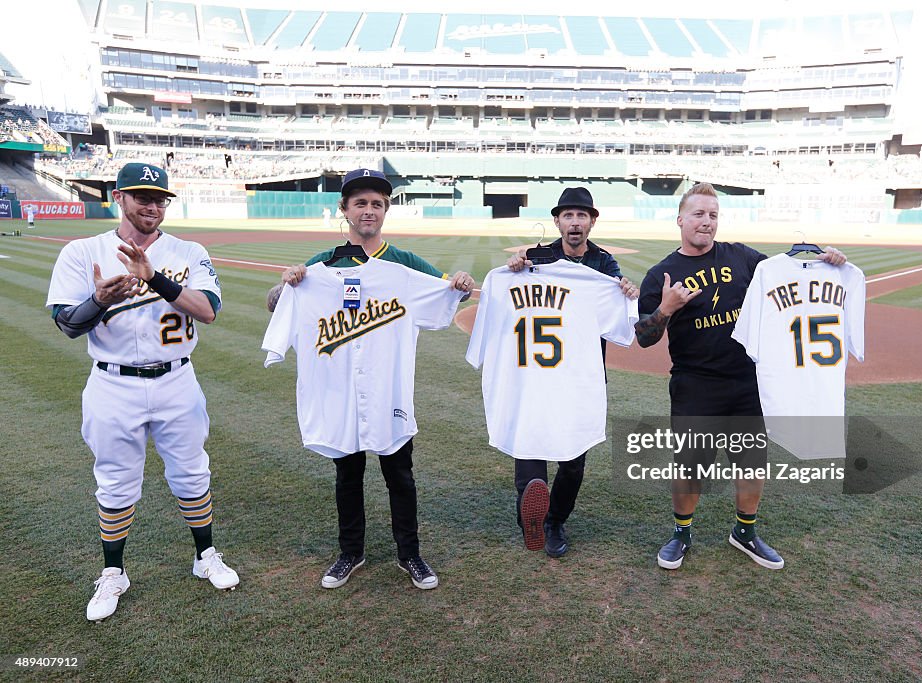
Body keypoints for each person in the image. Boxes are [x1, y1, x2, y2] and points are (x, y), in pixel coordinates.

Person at [46, 162, 238, 622]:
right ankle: (114, 573)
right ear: (119, 197)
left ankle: (204, 556)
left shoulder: (188, 251)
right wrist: (100, 300)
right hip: (112, 383)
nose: (152, 205)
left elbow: (208, 310)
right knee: (114, 480)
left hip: (177, 379)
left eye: (159, 198)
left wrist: (154, 278)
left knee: (193, 472)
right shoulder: (82, 250)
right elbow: (67, 324)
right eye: (141, 196)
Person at [266, 168, 476, 590]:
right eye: (360, 202)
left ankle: (410, 554)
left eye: (377, 203)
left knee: (400, 474)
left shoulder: (404, 265)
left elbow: (445, 295)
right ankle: (350, 552)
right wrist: (286, 284)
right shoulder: (322, 264)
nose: (369, 210)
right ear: (344, 210)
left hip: (388, 390)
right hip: (339, 390)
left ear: (386, 210)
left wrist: (461, 286)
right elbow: (278, 303)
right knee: (347, 474)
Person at [635, 183, 846, 571]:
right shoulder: (661, 274)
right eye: (698, 214)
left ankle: (744, 532)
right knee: (690, 467)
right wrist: (665, 309)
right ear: (680, 219)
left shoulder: (744, 258)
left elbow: (791, 274)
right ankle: (682, 533)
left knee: (751, 464)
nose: (706, 222)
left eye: (713, 215)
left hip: (747, 383)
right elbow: (645, 338)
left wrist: (824, 259)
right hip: (695, 384)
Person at [504, 187, 639, 557]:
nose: (575, 223)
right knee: (529, 443)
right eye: (568, 215)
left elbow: (618, 306)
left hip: (582, 376)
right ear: (558, 221)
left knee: (574, 459)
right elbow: (509, 291)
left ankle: (554, 520)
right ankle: (531, 513)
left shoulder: (605, 265)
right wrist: (518, 266)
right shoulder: (538, 259)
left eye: (582, 216)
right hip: (536, 374)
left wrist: (624, 291)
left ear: (592, 221)